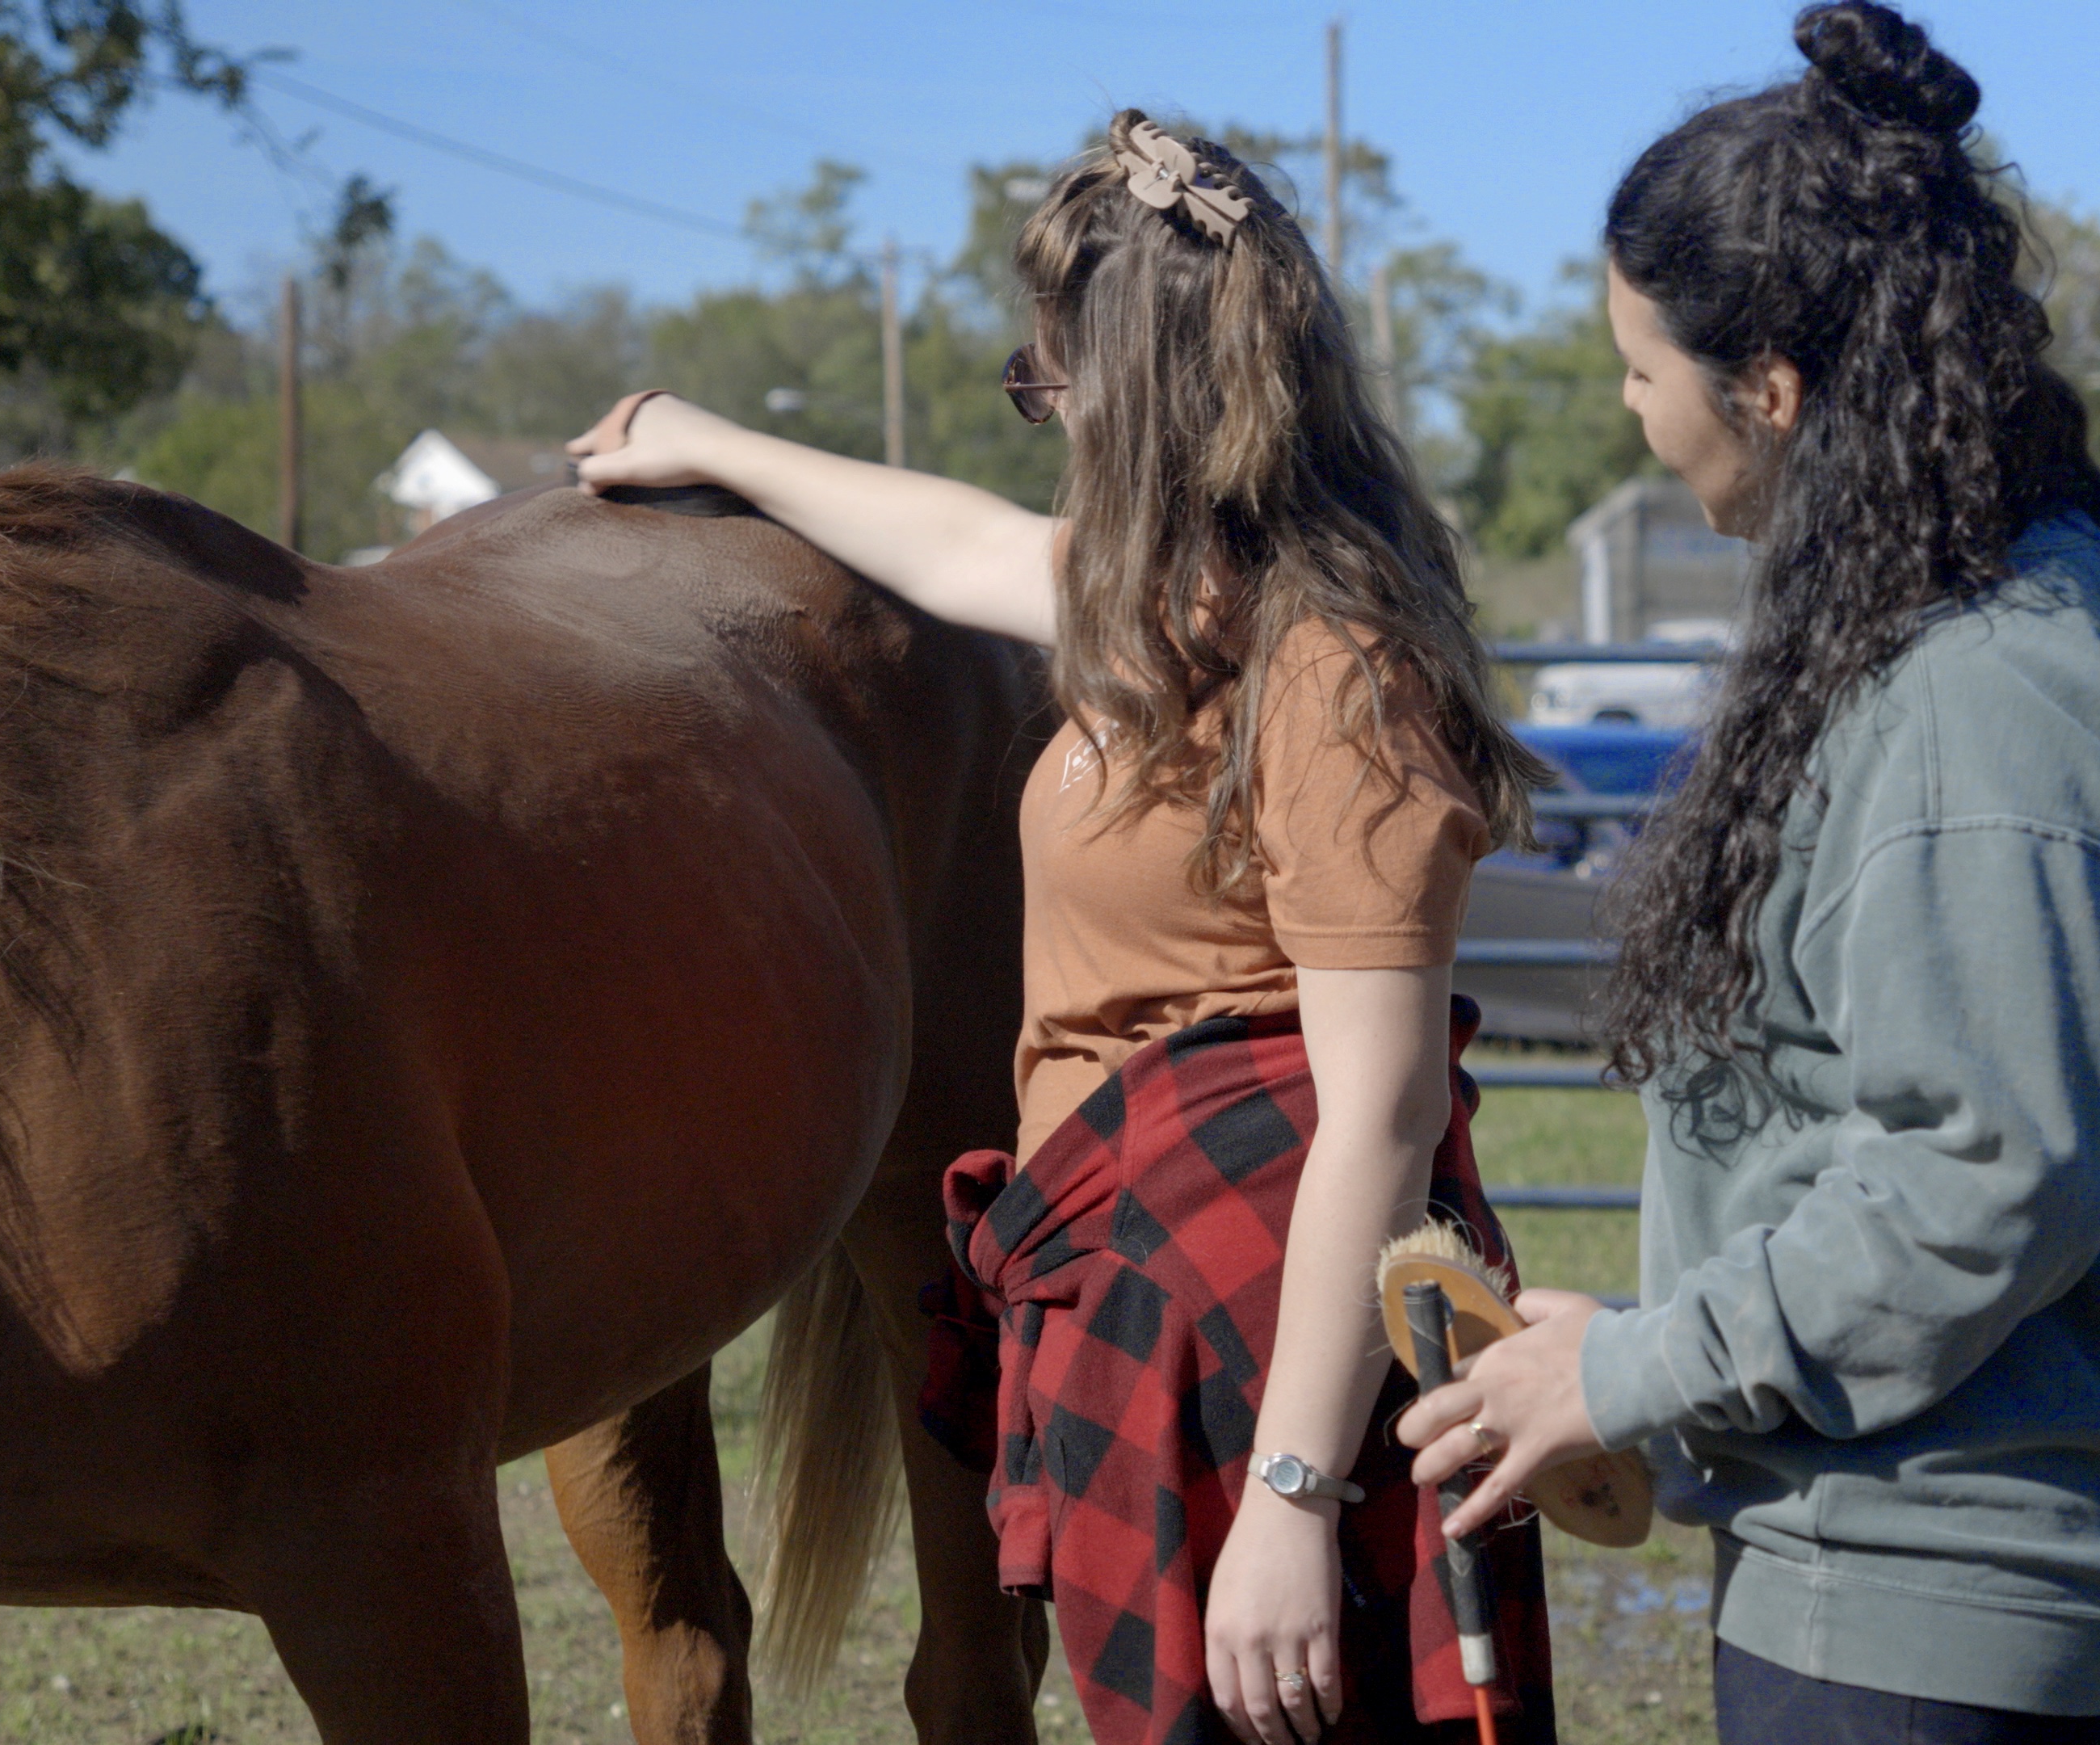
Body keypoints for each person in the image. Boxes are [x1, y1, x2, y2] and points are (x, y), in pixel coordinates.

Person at [573, 113, 1556, 1744]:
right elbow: (958, 545)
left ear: (1143, 386)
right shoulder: (1179, 610)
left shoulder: (1333, 672)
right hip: (1152, 1302)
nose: (1047, 419)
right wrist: (716, 444)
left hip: (1269, 1349)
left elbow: (1377, 1117)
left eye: (1052, 382)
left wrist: (1297, 1500)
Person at [1396, 5, 2100, 1741]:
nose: (1632, 411)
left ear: (1774, 391)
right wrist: (1649, 1338)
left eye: (1641, 372)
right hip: (1910, 1532)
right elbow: (1884, 1118)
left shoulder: (1980, 695)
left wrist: (1638, 1371)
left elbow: (1977, 1184)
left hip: (1932, 1574)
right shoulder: (1976, 601)